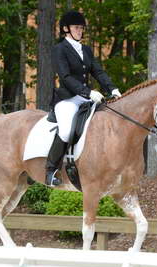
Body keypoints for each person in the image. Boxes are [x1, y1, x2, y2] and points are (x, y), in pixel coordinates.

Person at [45, 10, 121, 187]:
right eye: (76, 27)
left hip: (87, 98)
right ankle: (50, 171)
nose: (80, 31)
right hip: (67, 99)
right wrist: (88, 92)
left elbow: (98, 72)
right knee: (65, 131)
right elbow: (65, 77)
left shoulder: (86, 50)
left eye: (82, 28)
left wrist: (113, 88)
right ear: (66, 29)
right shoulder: (59, 49)